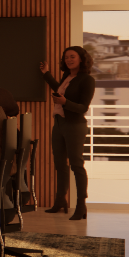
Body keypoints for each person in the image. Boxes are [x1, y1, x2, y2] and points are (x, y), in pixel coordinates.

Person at [39, 46, 96, 220]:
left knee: (76, 165)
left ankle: (81, 206)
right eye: (66, 58)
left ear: (81, 59)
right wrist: (46, 74)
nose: (68, 60)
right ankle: (60, 200)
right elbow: (59, 88)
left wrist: (65, 102)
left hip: (74, 126)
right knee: (60, 165)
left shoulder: (87, 80)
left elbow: (83, 107)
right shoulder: (67, 76)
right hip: (59, 124)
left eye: (72, 57)